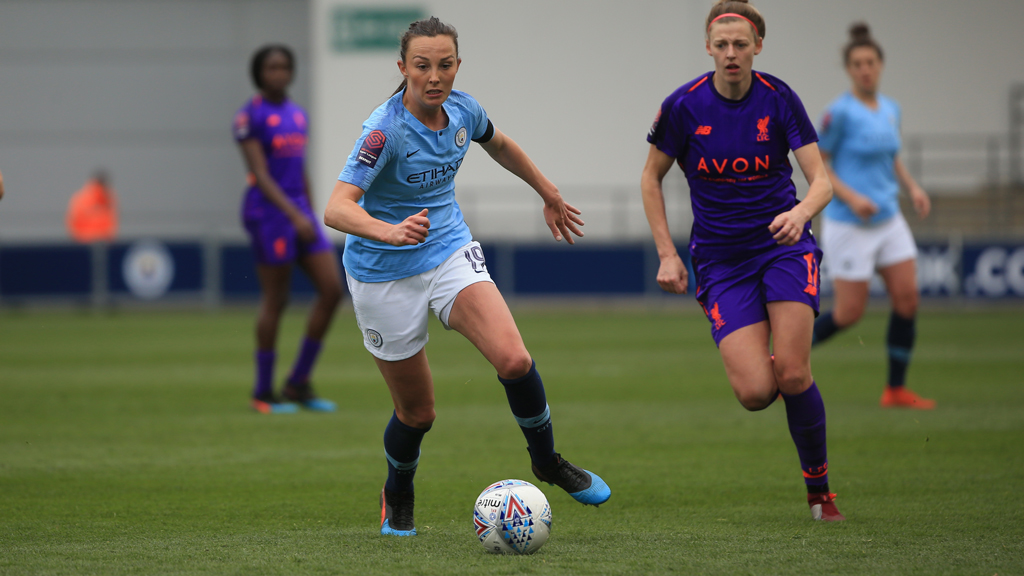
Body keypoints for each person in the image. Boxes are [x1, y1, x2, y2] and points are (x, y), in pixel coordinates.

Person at [324, 17, 610, 536]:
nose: (435, 76)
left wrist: (547, 192)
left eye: (445, 64)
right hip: (382, 274)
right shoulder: (383, 130)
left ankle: (546, 462)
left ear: (457, 65)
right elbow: (337, 209)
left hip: (448, 250)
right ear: (403, 68)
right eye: (422, 65)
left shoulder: (463, 110)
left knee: (515, 358)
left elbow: (499, 144)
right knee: (418, 413)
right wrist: (387, 232)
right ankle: (398, 491)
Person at [641, 0, 844, 521]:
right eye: (722, 44)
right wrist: (666, 253)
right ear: (709, 47)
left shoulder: (780, 99)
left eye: (741, 44)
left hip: (783, 248)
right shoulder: (683, 106)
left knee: (794, 374)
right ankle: (775, 372)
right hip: (719, 261)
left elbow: (820, 181)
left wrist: (799, 214)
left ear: (757, 46)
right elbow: (650, 178)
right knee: (756, 393)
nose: (731, 53)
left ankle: (820, 494)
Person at [812, 23, 935, 410]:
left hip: (888, 219)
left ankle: (895, 389)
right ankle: (781, 360)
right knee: (849, 313)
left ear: (880, 65)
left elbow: (891, 156)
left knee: (908, 299)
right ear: (849, 69)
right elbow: (820, 166)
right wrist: (851, 196)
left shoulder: (891, 108)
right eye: (858, 63)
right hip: (849, 223)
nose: (865, 69)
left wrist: (912, 187)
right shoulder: (838, 114)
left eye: (871, 62)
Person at [234, 44, 343, 414]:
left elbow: (299, 169)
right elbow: (260, 174)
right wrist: (294, 215)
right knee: (276, 300)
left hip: (299, 213)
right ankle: (262, 393)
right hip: (269, 214)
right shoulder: (249, 116)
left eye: (284, 66)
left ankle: (298, 383)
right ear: (259, 73)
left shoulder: (297, 115)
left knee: (331, 291)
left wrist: (310, 213)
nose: (278, 73)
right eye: (271, 67)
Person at [67, 170, 117, 243]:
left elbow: (112, 222)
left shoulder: (109, 198)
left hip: (102, 242)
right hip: (84, 243)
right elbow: (73, 222)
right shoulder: (81, 198)